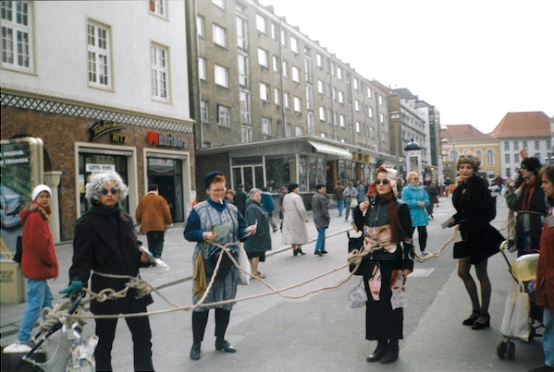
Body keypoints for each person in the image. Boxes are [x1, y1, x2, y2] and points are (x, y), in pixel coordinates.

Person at [66, 171, 155, 371]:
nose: (109, 194)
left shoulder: (125, 218)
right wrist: (78, 282)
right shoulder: (87, 223)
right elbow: (81, 260)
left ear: (119, 193)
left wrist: (143, 257)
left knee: (143, 337)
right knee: (105, 342)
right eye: (104, 191)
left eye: (114, 190)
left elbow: (133, 249)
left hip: (132, 287)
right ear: (96, 194)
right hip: (106, 289)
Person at [184, 171, 256, 361]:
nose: (220, 193)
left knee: (225, 302)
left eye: (223, 189)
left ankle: (220, 340)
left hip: (228, 262)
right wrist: (204, 235)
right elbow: (188, 232)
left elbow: (240, 230)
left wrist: (247, 230)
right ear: (208, 190)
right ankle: (196, 344)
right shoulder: (199, 209)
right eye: (216, 190)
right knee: (202, 304)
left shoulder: (232, 209)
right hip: (206, 262)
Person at [353, 166, 414, 365]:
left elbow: (407, 236)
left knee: (393, 304)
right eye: (377, 182)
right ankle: (380, 344)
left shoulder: (400, 207)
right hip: (372, 262)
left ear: (393, 184)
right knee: (374, 304)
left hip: (393, 262)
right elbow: (360, 228)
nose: (380, 185)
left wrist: (407, 263)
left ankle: (393, 346)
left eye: (385, 181)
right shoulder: (369, 205)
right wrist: (357, 210)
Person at [445, 156, 504, 331]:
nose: (464, 170)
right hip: (467, 235)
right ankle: (475, 310)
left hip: (480, 235)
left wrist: (467, 222)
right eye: (462, 167)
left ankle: (484, 314)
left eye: (468, 168)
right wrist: (448, 222)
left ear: (474, 169)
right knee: (463, 272)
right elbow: (462, 211)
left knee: (481, 274)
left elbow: (489, 213)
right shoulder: (461, 187)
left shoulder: (479, 185)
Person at [5, 185, 59, 353]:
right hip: (37, 267)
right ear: (35, 198)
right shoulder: (36, 217)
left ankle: (51, 331)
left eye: (47, 196)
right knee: (35, 304)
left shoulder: (37, 215)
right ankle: (23, 337)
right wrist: (51, 261)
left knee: (47, 301)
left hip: (36, 268)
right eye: (41, 196)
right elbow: (40, 245)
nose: (45, 199)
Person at [530, 165, 554, 372]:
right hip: (548, 271)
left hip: (552, 273)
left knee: (551, 319)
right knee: (549, 318)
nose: (543, 186)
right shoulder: (551, 208)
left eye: (546, 182)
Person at [505, 157, 546, 256]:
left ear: (532, 169)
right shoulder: (523, 186)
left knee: (536, 258)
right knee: (523, 260)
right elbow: (512, 204)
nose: (521, 170)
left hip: (538, 228)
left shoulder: (542, 185)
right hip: (522, 229)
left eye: (524, 167)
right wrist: (510, 189)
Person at [135, 183, 173, 258]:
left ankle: (152, 255)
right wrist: (169, 222)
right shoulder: (161, 199)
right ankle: (157, 254)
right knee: (160, 240)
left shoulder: (143, 200)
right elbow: (166, 212)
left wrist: (139, 221)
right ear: (156, 190)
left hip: (147, 225)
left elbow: (138, 213)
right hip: (159, 224)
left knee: (150, 240)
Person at [244, 188, 272, 279]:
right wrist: (260, 232)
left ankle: (252, 271)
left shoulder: (256, 206)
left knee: (254, 253)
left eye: (259, 195)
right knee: (255, 253)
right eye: (257, 196)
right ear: (252, 197)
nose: (259, 197)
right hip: (256, 234)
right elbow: (254, 222)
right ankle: (254, 272)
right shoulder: (253, 207)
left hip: (257, 234)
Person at [402, 172, 430, 257]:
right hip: (411, 215)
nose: (417, 180)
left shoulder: (421, 189)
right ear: (410, 180)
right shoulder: (406, 190)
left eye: (418, 178)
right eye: (415, 178)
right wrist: (417, 203)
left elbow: (427, 199)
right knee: (409, 234)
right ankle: (409, 251)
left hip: (421, 214)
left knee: (423, 233)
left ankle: (423, 249)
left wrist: (424, 203)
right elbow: (405, 201)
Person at [282, 183, 309, 256]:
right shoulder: (296, 197)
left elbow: (284, 206)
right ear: (293, 189)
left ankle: (294, 249)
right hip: (296, 217)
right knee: (300, 232)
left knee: (292, 233)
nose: (298, 190)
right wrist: (305, 217)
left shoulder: (286, 197)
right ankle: (299, 248)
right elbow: (301, 209)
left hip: (288, 217)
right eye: (297, 188)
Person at [312, 183, 330, 256]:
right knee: (321, 233)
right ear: (319, 189)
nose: (324, 190)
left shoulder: (314, 196)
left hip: (316, 216)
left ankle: (322, 248)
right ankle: (317, 249)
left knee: (322, 233)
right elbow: (324, 209)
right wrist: (327, 217)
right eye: (323, 188)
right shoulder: (322, 197)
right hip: (321, 217)